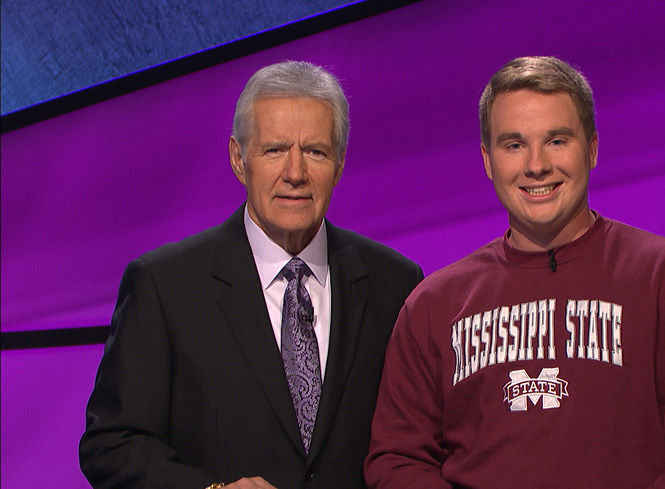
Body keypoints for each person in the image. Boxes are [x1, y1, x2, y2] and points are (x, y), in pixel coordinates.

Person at [365, 56, 665, 488]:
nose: (536, 165)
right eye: (514, 144)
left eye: (556, 140)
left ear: (591, 147)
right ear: (487, 159)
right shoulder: (433, 306)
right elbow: (396, 461)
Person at [80, 60, 423, 489]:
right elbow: (111, 442)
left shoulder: (396, 283)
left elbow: (416, 446)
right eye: (275, 150)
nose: (295, 173)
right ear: (238, 159)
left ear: (339, 163)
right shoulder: (164, 286)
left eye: (314, 151)